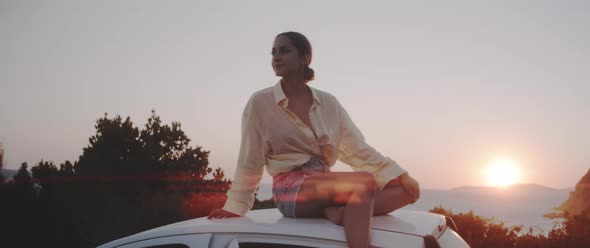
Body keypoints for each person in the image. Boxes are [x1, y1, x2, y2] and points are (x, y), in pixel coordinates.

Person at [208, 31, 420, 248]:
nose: (276, 57)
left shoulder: (329, 103)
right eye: (273, 53)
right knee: (364, 181)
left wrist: (401, 175)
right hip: (291, 190)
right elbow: (249, 158)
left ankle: (344, 212)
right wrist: (235, 206)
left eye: (284, 50)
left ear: (305, 59)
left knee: (408, 191)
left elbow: (357, 149)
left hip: (325, 188)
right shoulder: (260, 102)